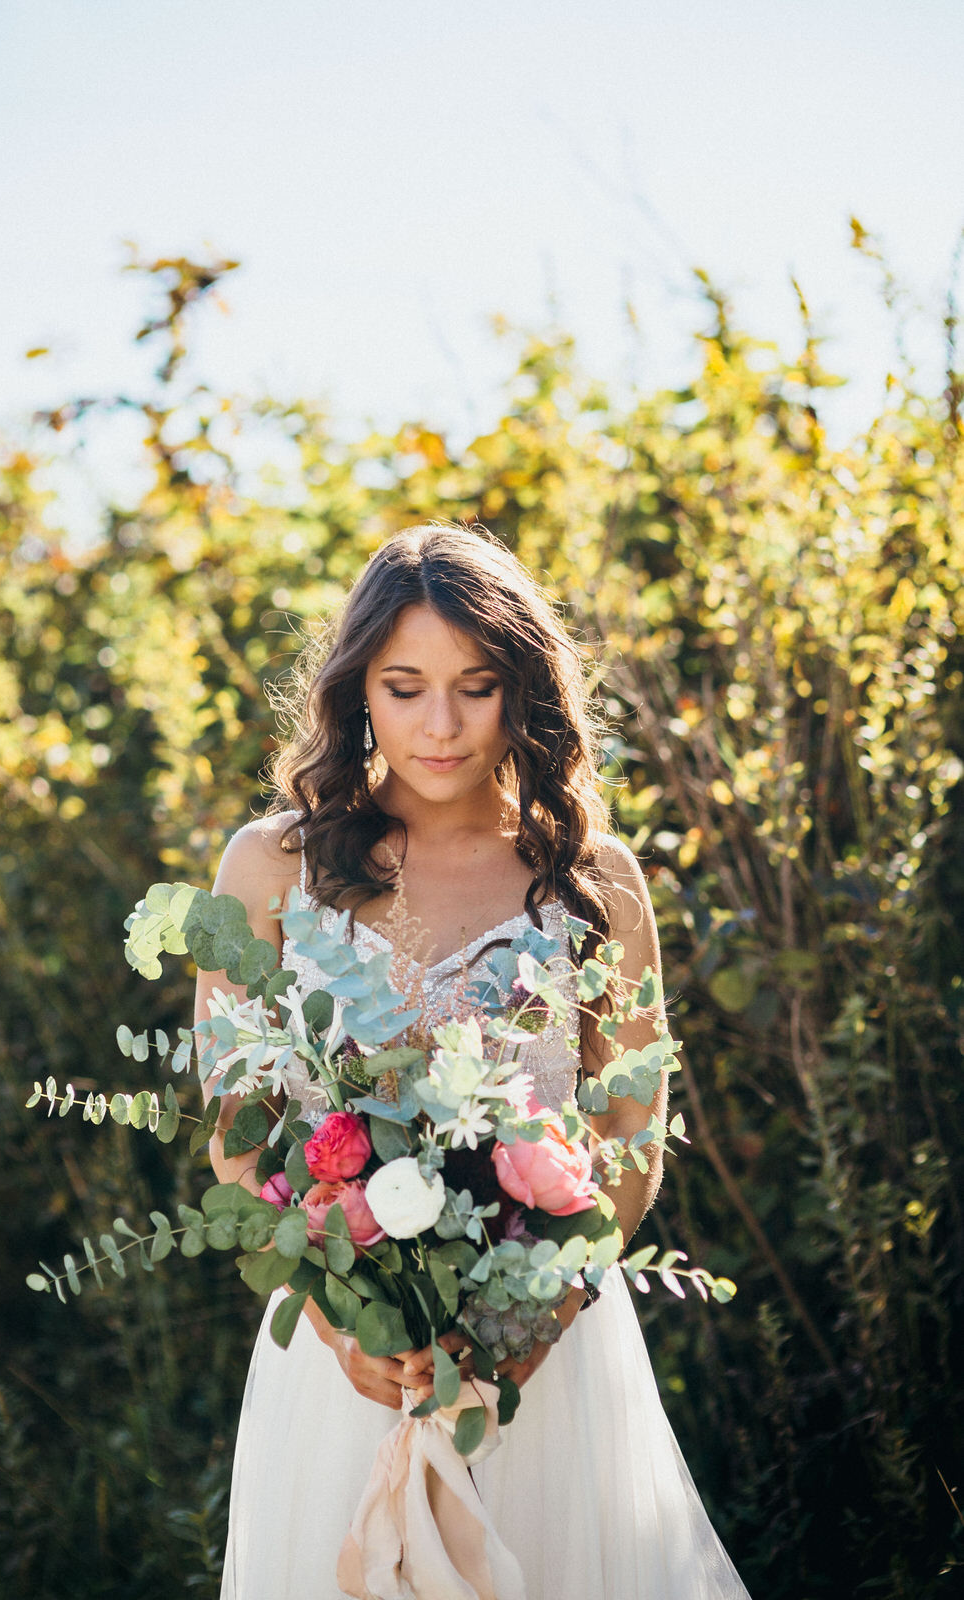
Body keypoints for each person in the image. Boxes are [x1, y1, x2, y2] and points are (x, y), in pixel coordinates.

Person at [195, 522, 751, 1599]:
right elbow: (238, 1119)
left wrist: (529, 1321)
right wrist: (336, 1314)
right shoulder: (267, 866)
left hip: (548, 1355)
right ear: (358, 689)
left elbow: (630, 1132)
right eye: (403, 687)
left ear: (522, 690)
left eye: (475, 686)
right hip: (341, 1362)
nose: (438, 726)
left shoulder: (593, 877)